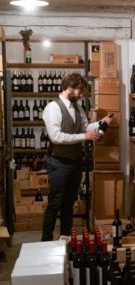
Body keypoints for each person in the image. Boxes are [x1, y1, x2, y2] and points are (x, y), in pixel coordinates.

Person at [41, 72, 112, 241]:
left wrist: (101, 123)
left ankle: (65, 240)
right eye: (80, 91)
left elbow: (86, 128)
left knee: (68, 204)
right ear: (70, 88)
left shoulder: (77, 107)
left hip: (75, 163)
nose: (82, 95)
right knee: (54, 204)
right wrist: (85, 137)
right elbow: (56, 137)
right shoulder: (53, 108)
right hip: (59, 163)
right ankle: (46, 241)